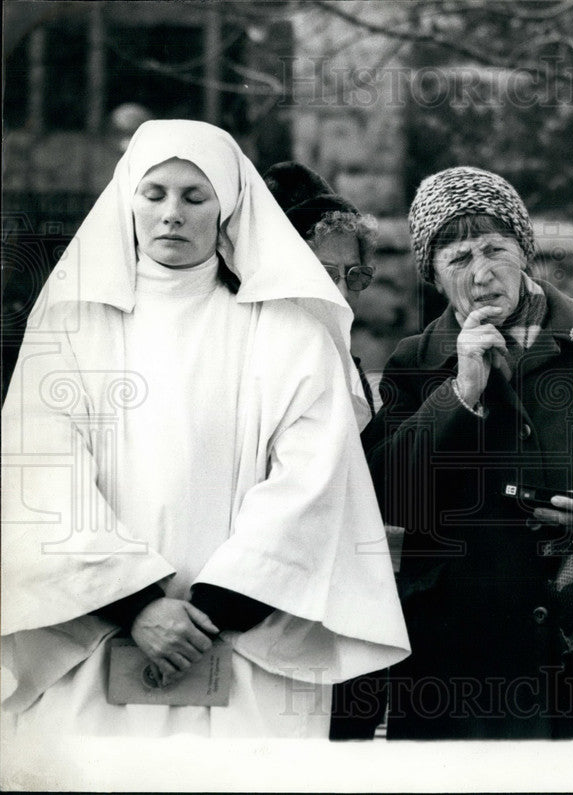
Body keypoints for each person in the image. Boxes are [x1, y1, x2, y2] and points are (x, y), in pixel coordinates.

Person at [0, 120, 409, 738]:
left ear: (228, 209)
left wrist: (211, 610)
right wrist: (136, 605)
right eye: (154, 193)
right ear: (126, 200)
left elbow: (312, 482)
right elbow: (43, 473)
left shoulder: (288, 335)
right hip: (92, 638)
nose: (172, 213)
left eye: (195, 197)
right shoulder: (71, 328)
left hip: (245, 648)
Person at [363, 166, 573, 739]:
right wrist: (460, 390)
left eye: (496, 248)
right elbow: (386, 496)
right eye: (459, 259)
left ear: (525, 251)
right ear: (433, 278)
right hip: (460, 658)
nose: (484, 273)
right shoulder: (417, 360)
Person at [263, 160, 387, 739]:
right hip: (271, 601)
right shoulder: (259, 351)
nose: (337, 289)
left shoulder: (350, 359)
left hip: (345, 596)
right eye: (321, 270)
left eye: (352, 274)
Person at [263, 161, 379, 425]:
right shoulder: (256, 370)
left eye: (354, 274)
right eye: (324, 274)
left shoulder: (351, 370)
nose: (342, 292)